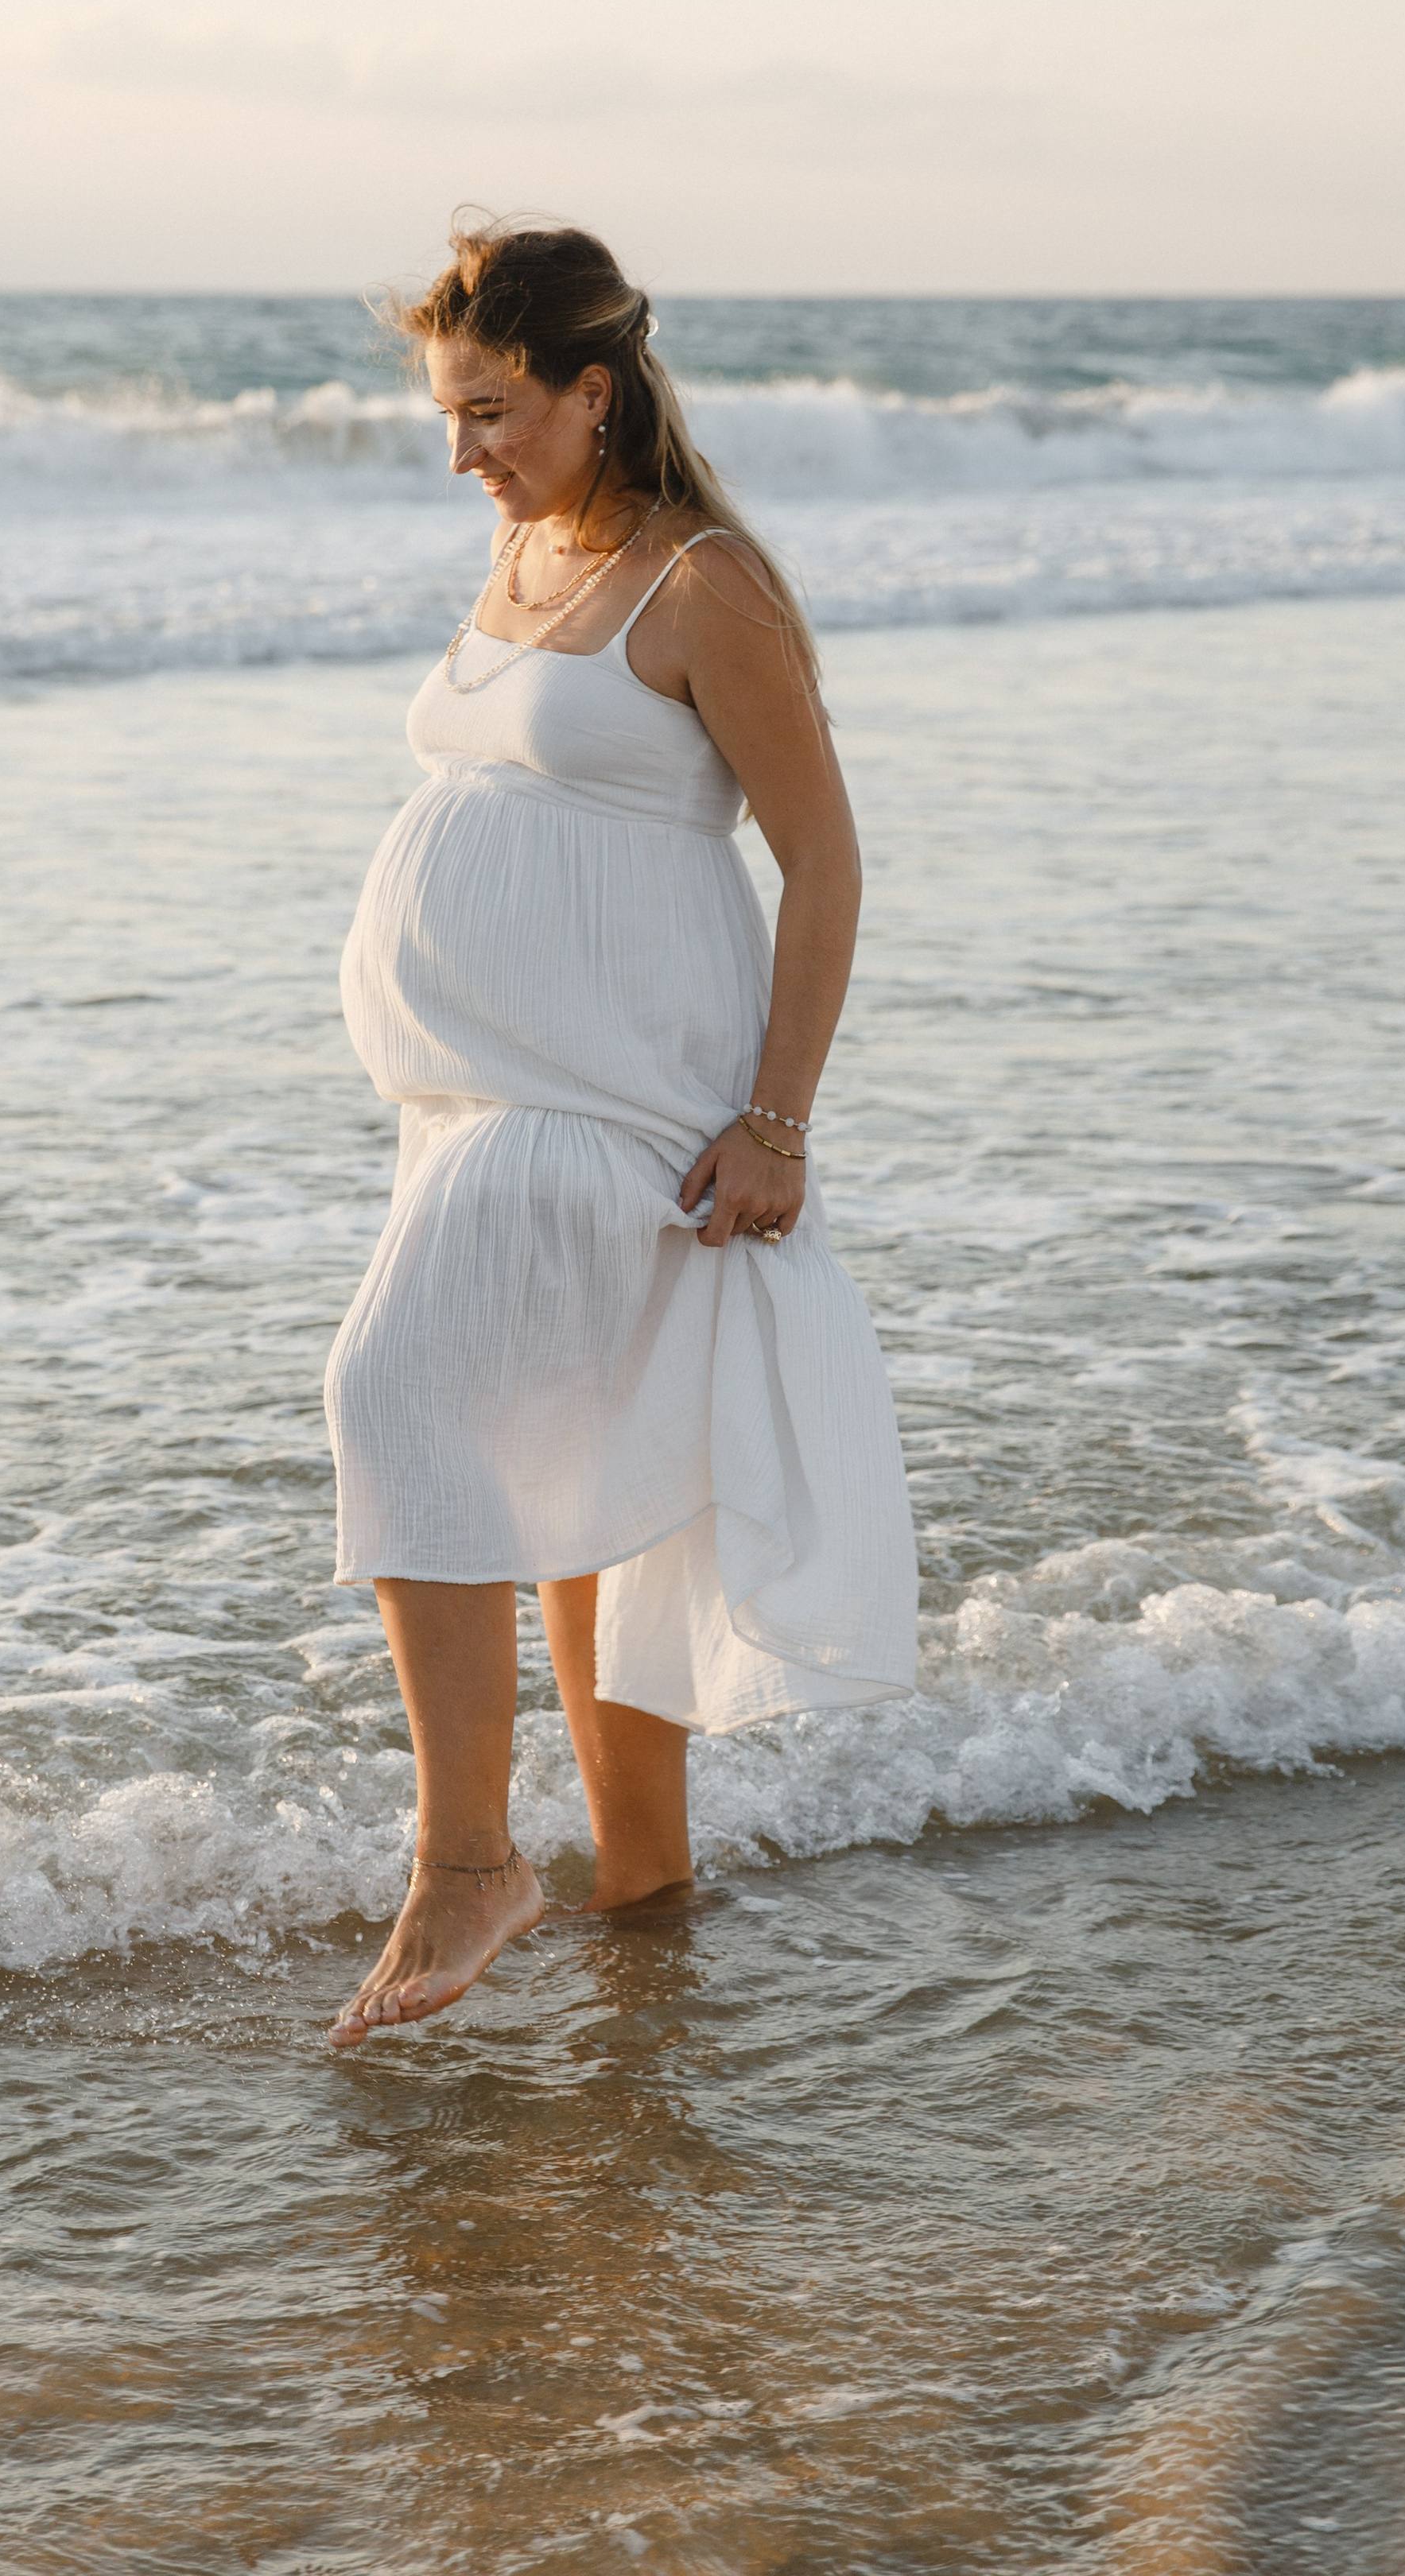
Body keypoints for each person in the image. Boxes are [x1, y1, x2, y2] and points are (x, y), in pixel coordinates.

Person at [324, 218, 918, 2050]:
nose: (463, 453)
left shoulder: (701, 586)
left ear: (594, 389)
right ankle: (643, 1928)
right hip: (475, 1097)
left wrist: (775, 1122)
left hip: (618, 1109)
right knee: (574, 1491)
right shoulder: (524, 542)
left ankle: (467, 1859)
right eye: (446, 414)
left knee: (392, 1395)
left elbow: (820, 861)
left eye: (490, 411)